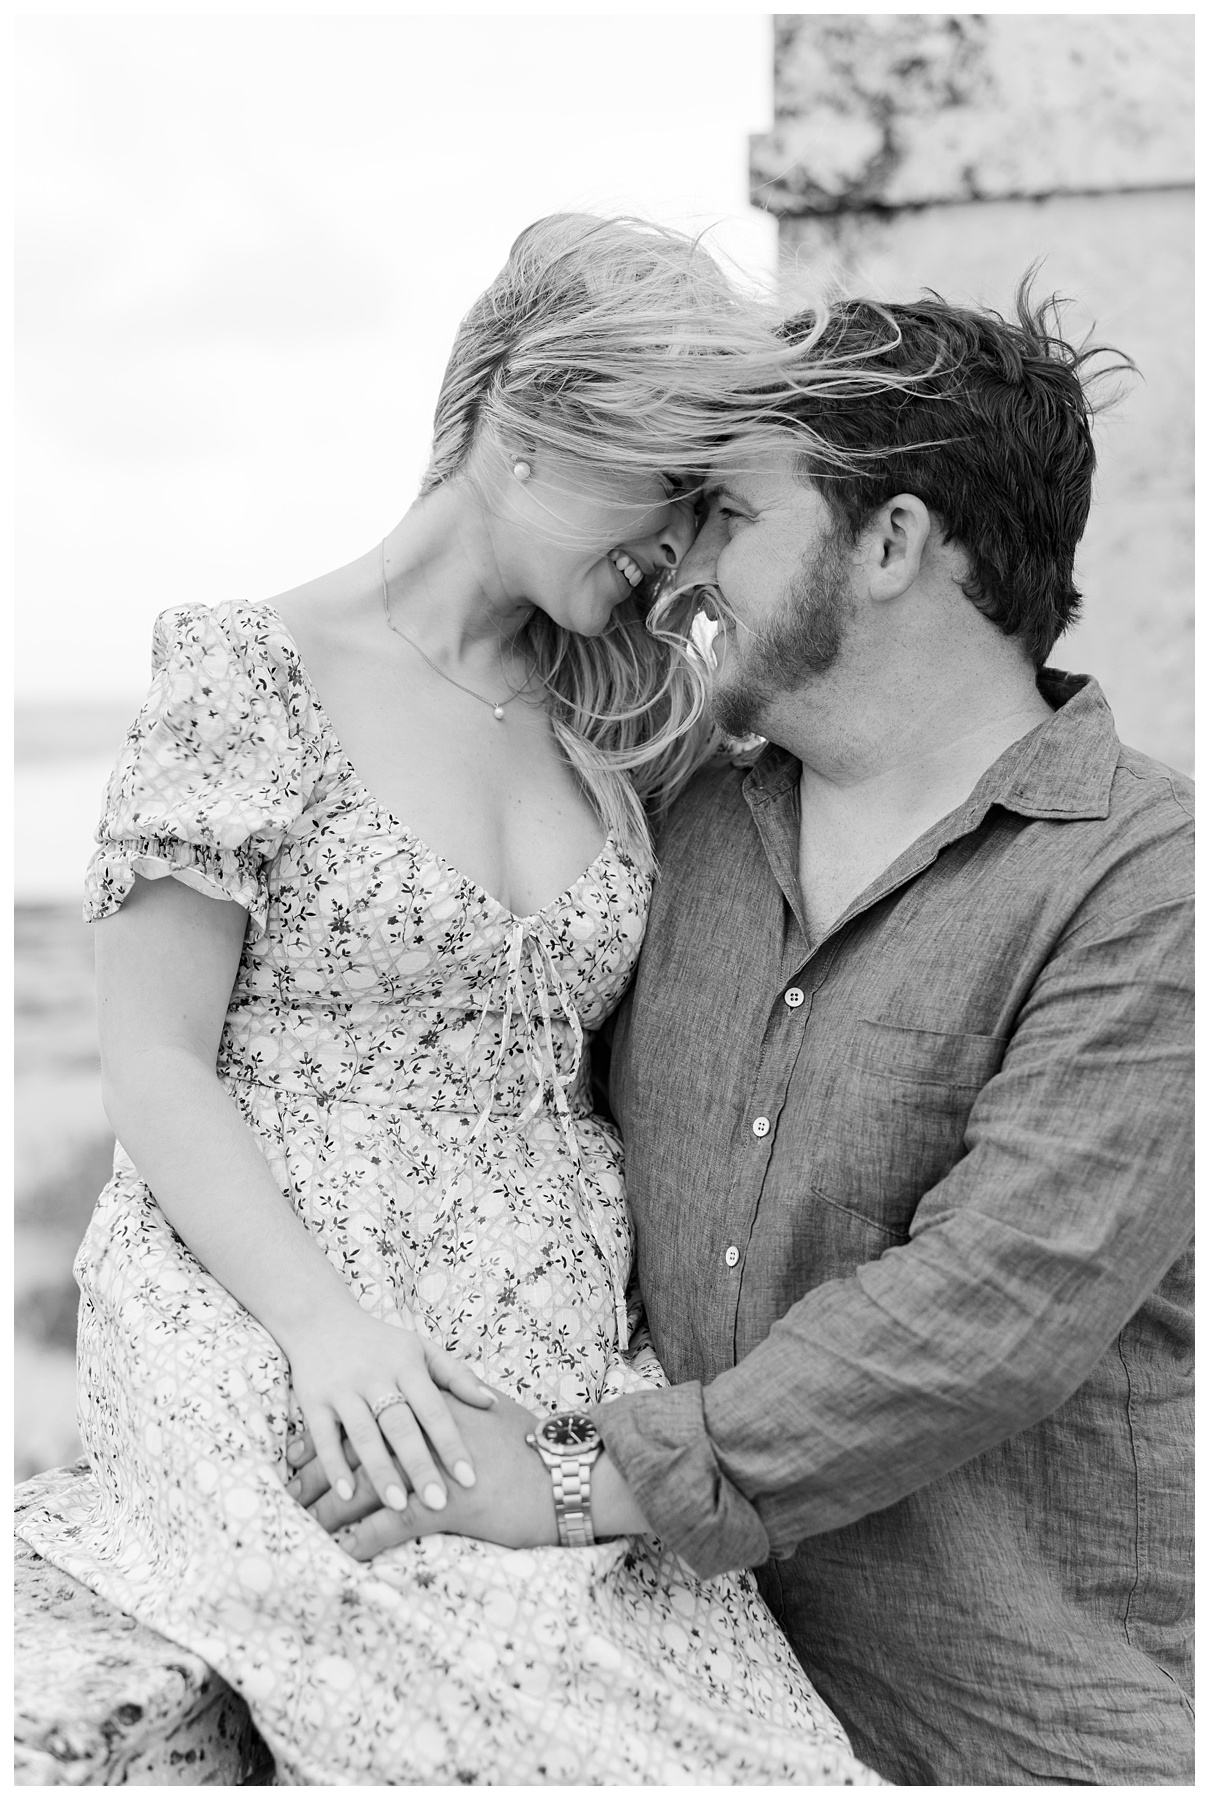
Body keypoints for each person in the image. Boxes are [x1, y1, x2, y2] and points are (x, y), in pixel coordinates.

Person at [17, 215, 891, 1784]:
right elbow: (152, 1064)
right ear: (533, 424)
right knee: (474, 1689)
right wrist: (326, 1329)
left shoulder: (627, 714)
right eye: (667, 489)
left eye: (710, 510)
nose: (681, 554)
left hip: (564, 1339)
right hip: (280, 1303)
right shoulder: (246, 674)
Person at [308, 288, 1195, 1785]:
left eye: (728, 516)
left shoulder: (1145, 876)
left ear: (893, 542)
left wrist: (589, 1480)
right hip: (664, 1693)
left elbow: (996, 1300)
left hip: (1005, 1727)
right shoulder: (670, 822)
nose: (680, 569)